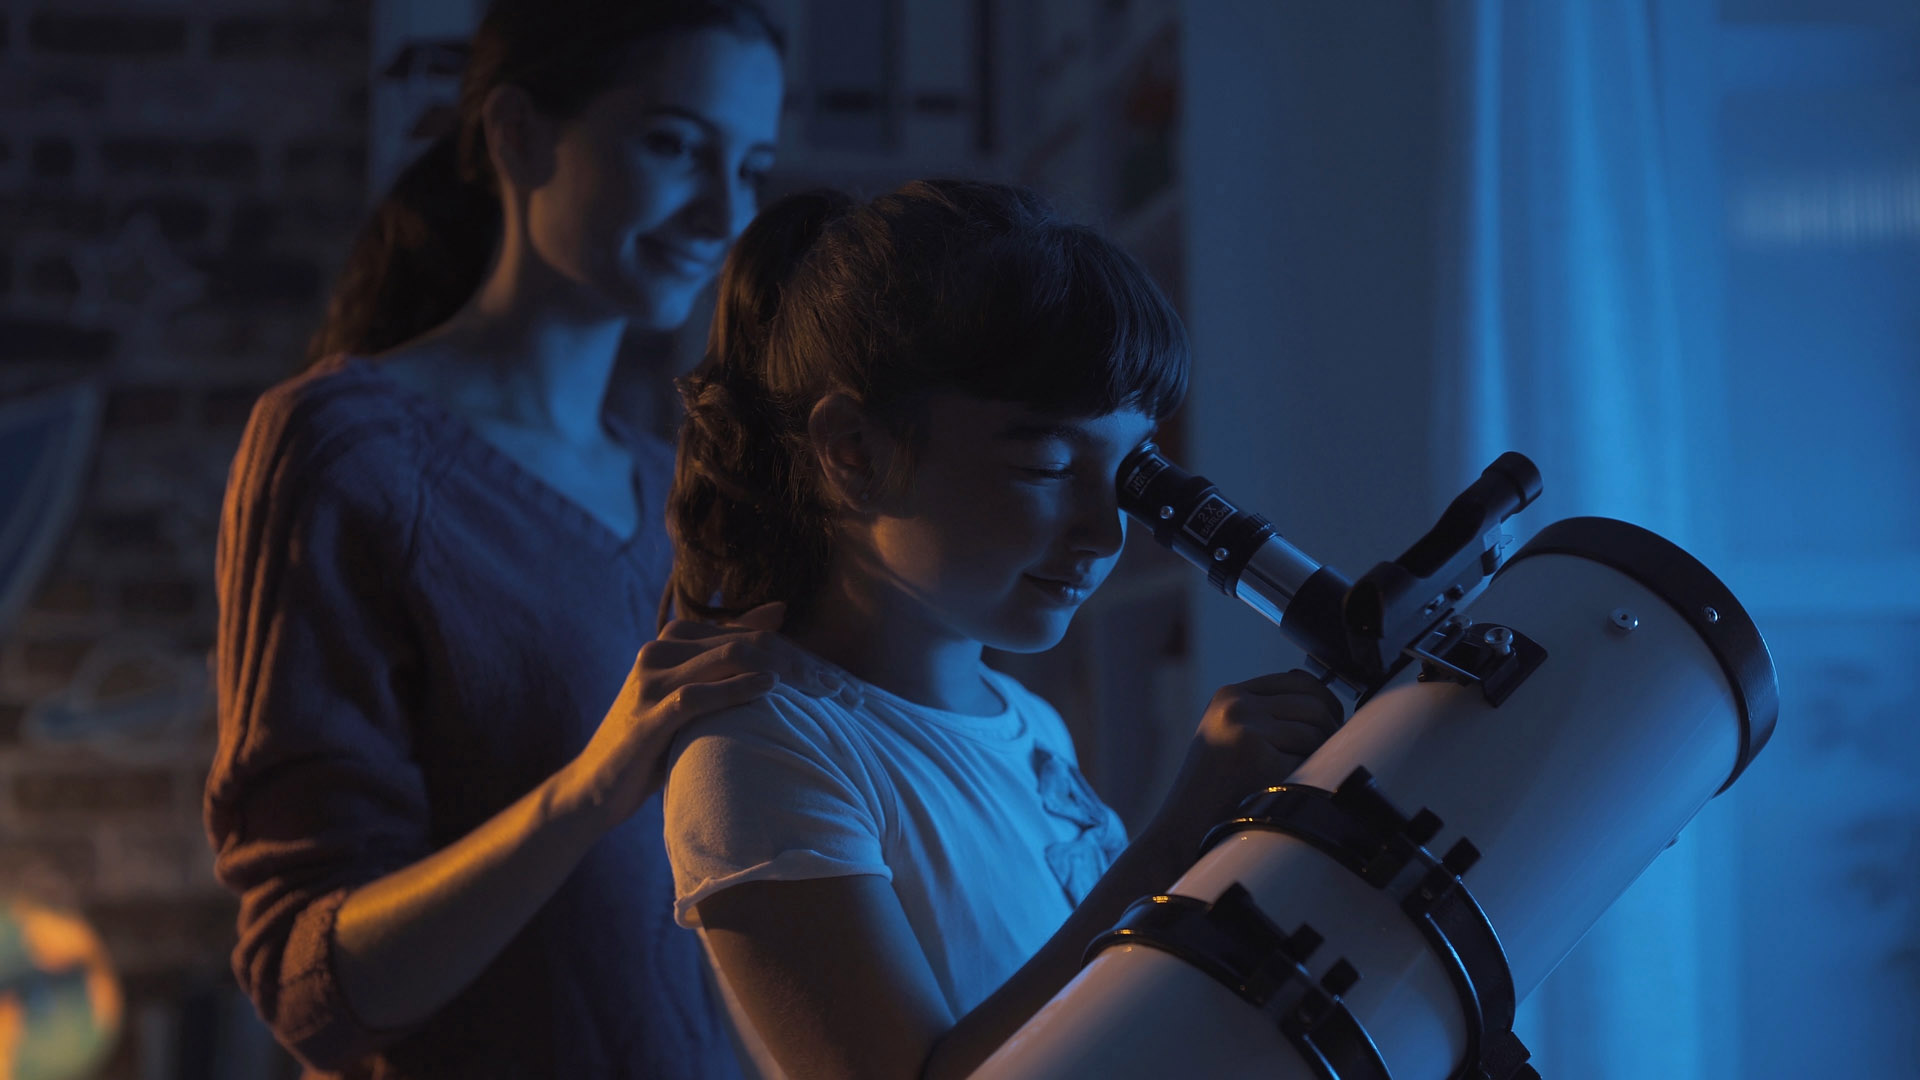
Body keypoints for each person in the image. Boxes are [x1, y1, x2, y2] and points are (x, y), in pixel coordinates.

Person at [204, 2, 841, 1076]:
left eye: (751, 169)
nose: (718, 214)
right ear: (517, 134)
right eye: (674, 144)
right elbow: (311, 989)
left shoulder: (675, 480)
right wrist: (588, 791)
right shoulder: (344, 449)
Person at [659, 179, 1346, 1080]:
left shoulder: (1025, 723)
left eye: (1130, 473)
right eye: (1047, 465)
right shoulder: (763, 750)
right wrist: (1185, 830)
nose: (1105, 532)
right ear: (854, 453)